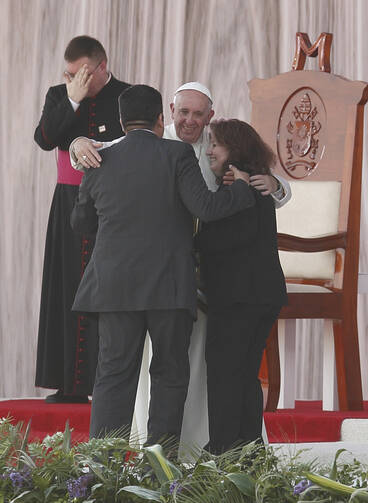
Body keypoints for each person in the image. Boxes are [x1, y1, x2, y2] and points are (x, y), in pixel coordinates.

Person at [68, 82, 291, 447]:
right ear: (165, 115)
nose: (189, 120)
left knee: (112, 375)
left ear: (210, 116)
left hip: (117, 284)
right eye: (182, 112)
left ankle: (102, 465)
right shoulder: (176, 152)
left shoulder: (103, 156)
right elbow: (204, 208)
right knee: (170, 373)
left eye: (198, 115)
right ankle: (161, 465)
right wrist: (241, 188)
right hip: (170, 282)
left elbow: (82, 223)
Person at [34, 35, 130, 403]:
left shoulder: (127, 94)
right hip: (69, 202)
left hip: (116, 204)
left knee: (111, 293)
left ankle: (109, 385)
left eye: (82, 75)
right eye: (69, 74)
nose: (73, 80)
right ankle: (71, 384)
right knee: (68, 287)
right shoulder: (60, 95)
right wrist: (73, 98)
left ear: (102, 68)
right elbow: (45, 138)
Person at [194, 119, 288, 454]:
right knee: (245, 375)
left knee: (224, 376)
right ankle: (250, 451)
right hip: (262, 296)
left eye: (215, 145)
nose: (209, 152)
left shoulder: (242, 187)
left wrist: (194, 237)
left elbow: (221, 240)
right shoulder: (256, 182)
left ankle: (222, 451)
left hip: (237, 299)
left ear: (233, 148)